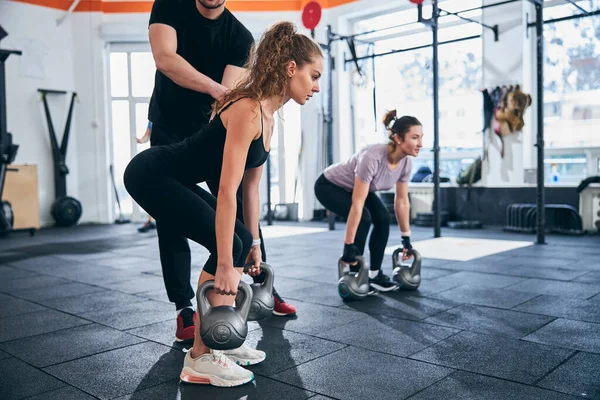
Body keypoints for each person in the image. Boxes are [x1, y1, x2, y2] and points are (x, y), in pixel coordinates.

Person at [124, 21, 323, 387]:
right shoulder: (248, 110)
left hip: (171, 176)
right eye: (313, 75)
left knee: (240, 239)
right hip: (150, 174)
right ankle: (200, 357)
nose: (316, 86)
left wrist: (255, 247)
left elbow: (251, 189)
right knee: (227, 245)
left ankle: (220, 344)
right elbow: (226, 190)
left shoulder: (268, 117)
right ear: (291, 68)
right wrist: (229, 264)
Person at [145, 0, 295, 344]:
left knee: (240, 202)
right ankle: (185, 307)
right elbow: (165, 59)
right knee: (170, 216)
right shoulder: (169, 5)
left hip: (212, 127)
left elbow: (224, 105)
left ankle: (261, 284)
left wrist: (227, 112)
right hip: (169, 128)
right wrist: (216, 90)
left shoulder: (239, 36)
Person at [314, 110, 423, 293]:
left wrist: (406, 238)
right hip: (330, 186)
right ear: (398, 138)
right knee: (364, 217)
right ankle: (357, 273)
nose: (420, 143)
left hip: (355, 188)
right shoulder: (372, 157)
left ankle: (374, 275)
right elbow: (357, 204)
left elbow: (402, 201)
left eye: (421, 137)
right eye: (415, 137)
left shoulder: (406, 162)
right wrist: (348, 246)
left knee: (382, 216)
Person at [136, 121, 156, 233]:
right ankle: (151, 220)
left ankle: (151, 220)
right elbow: (147, 134)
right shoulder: (152, 120)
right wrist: (141, 140)